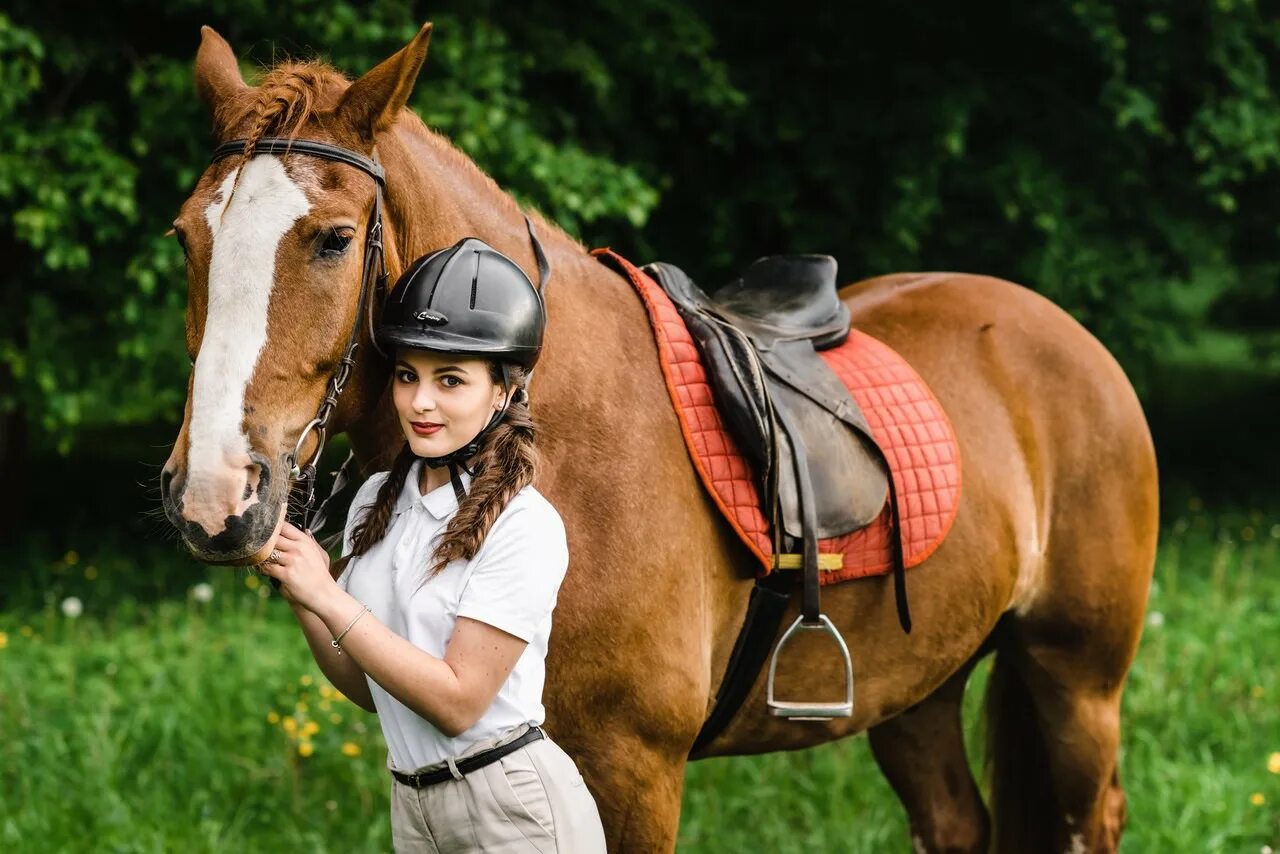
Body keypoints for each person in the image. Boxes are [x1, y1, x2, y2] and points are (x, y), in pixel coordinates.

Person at [259, 236, 607, 853]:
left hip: (512, 812)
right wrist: (302, 592)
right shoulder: (375, 502)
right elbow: (371, 690)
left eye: (450, 380)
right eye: (407, 375)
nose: (420, 402)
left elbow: (457, 702)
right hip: (414, 806)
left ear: (502, 390)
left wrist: (329, 597)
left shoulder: (524, 525)